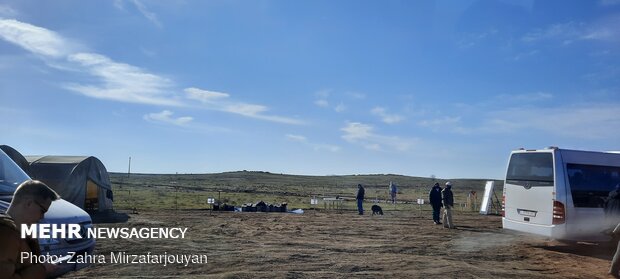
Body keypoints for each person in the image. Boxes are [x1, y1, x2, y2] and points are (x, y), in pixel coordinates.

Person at [0, 180, 60, 278]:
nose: (42, 217)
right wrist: (42, 269)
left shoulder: (21, 233)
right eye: (42, 211)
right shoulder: (6, 235)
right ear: (29, 203)